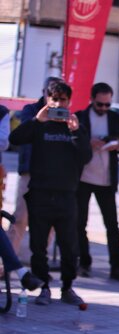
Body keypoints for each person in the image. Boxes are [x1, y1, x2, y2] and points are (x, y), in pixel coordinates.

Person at [9, 80, 92, 306]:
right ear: (47, 99)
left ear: (69, 101)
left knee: (69, 245)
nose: (58, 104)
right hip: (40, 194)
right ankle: (44, 287)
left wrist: (76, 133)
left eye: (62, 100)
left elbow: (86, 157)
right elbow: (15, 139)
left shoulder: (75, 125)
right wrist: (37, 121)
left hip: (66, 195)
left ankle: (67, 287)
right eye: (54, 99)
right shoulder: (38, 123)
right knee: (39, 246)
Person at [75, 82, 119, 283]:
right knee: (79, 223)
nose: (104, 109)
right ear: (92, 100)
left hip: (107, 180)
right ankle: (84, 262)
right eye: (100, 105)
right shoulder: (81, 117)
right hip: (83, 177)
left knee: (112, 225)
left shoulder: (116, 118)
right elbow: (72, 142)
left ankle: (117, 267)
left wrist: (117, 144)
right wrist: (87, 143)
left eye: (107, 105)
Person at [7, 77, 63, 254]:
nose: (55, 100)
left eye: (59, 97)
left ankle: (39, 263)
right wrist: (41, 119)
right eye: (51, 95)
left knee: (48, 221)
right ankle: (7, 262)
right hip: (30, 172)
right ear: (44, 93)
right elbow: (22, 135)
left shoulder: (64, 114)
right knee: (20, 218)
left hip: (53, 176)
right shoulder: (30, 110)